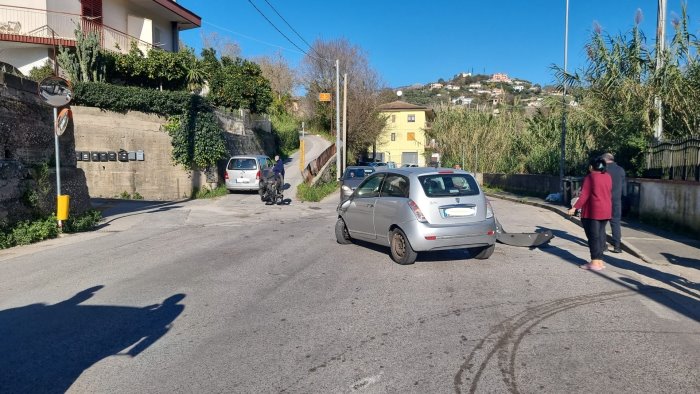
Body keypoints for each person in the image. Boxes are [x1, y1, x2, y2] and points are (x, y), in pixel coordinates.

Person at [567, 158, 612, 271]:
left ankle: (594, 262)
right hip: (606, 210)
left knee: (593, 237)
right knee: (601, 235)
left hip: (593, 211)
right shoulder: (607, 176)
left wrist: (574, 207)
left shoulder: (590, 177)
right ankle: (600, 261)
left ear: (592, 167)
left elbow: (584, 195)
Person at [600, 152, 626, 253]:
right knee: (615, 223)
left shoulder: (602, 169)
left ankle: (603, 246)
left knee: (601, 224)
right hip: (616, 201)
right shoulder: (620, 170)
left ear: (605, 160)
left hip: (604, 200)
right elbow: (624, 187)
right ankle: (617, 246)